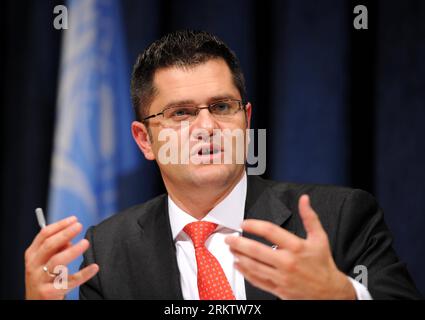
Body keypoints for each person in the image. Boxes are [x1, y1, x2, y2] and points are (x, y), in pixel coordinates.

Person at [25, 30, 421, 300]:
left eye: (221, 107)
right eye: (180, 113)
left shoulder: (338, 218)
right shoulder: (108, 252)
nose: (207, 127)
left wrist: (340, 294)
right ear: (145, 140)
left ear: (246, 121)